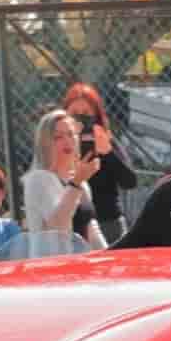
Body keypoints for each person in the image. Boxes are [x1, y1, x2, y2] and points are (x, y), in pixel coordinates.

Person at [62, 83, 137, 239]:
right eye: (74, 113)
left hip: (108, 221)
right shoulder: (60, 144)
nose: (80, 118)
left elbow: (130, 182)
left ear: (96, 116)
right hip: (73, 224)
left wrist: (108, 153)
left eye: (86, 113)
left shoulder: (104, 139)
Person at [24, 107, 102, 244]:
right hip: (51, 264)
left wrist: (109, 257)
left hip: (82, 262)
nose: (67, 141)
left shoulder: (81, 183)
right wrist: (76, 183)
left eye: (71, 134)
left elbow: (93, 232)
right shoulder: (38, 179)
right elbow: (58, 228)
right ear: (44, 144)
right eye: (58, 137)